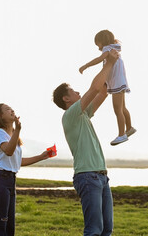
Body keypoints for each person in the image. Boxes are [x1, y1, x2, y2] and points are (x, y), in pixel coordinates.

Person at [52, 49, 119, 236]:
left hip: (101, 177)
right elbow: (95, 89)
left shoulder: (83, 114)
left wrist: (108, 58)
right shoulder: (70, 115)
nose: (78, 92)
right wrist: (110, 63)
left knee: (106, 230)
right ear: (67, 99)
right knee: (94, 230)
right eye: (73, 91)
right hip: (88, 177)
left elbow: (103, 91)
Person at [0, 103, 50, 236]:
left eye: (12, 109)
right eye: (8, 109)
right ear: (0, 116)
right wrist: (18, 130)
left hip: (10, 180)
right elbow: (9, 152)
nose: (12, 110)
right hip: (0, 181)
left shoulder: (13, 137)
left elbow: (17, 162)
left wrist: (41, 157)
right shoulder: (0, 133)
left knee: (9, 227)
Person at [79, 29, 136, 146]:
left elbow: (99, 59)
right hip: (120, 82)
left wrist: (85, 66)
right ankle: (129, 128)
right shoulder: (114, 48)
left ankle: (122, 135)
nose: (98, 47)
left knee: (117, 109)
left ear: (102, 41)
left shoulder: (107, 49)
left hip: (116, 83)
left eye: (97, 44)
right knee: (123, 107)